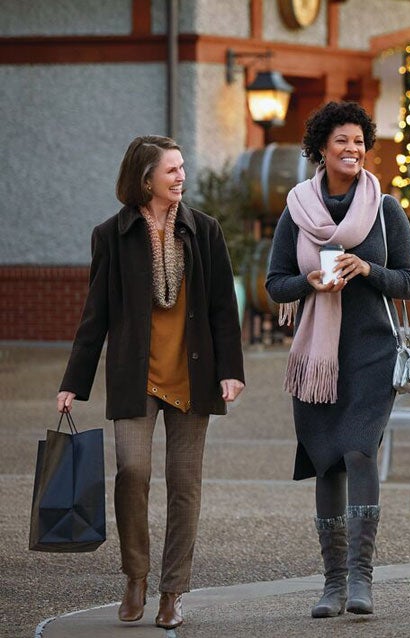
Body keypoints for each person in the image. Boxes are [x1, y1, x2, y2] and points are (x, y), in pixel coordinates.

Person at [56, 135, 245, 630]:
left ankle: (172, 590)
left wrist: (231, 370)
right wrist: (73, 381)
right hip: (135, 377)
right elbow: (94, 315)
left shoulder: (204, 230)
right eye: (171, 170)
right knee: (132, 472)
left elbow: (224, 306)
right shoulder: (111, 236)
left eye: (182, 168)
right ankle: (135, 575)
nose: (181, 176)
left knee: (185, 484)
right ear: (146, 179)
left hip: (193, 376)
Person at [264, 101, 410, 619]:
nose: (352, 150)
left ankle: (361, 580)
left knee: (358, 452)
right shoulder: (296, 209)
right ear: (321, 149)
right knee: (326, 459)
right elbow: (274, 283)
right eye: (341, 142)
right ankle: (332, 583)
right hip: (315, 358)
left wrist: (368, 268)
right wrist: (307, 283)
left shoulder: (384, 208)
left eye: (359, 141)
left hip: (370, 353)